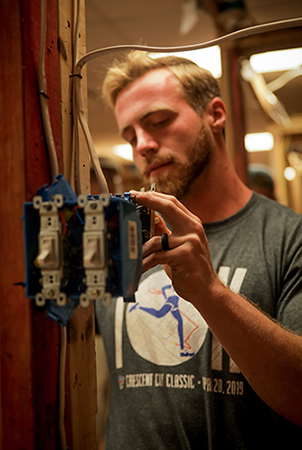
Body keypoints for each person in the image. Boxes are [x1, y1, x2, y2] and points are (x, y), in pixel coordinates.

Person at [95, 51, 302, 449]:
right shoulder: (124, 245)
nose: (143, 145)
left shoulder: (287, 238)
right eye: (130, 136)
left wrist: (210, 291)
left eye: (158, 122)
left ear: (216, 114)